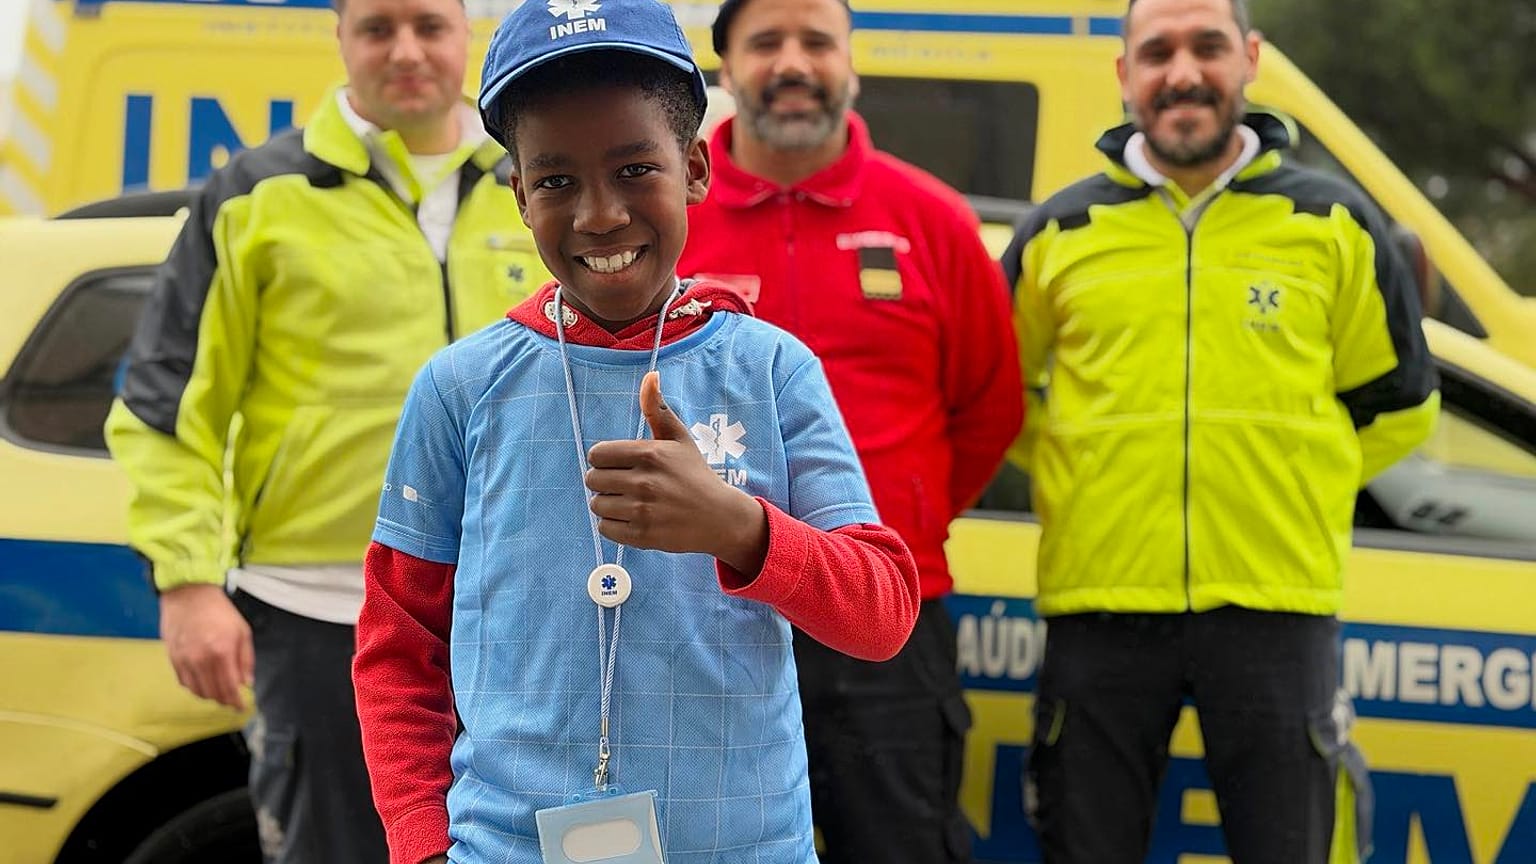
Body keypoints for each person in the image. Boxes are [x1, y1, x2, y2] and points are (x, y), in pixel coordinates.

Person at [348, 2, 922, 862]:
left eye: (634, 168)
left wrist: (738, 527)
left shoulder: (773, 370)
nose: (600, 214)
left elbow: (882, 613)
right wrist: (424, 844)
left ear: (694, 168)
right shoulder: (460, 388)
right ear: (517, 192)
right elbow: (399, 647)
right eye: (555, 181)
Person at [103, 0, 548, 857]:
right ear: (340, 39)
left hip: (517, 608)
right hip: (318, 611)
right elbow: (168, 400)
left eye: (429, 24)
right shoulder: (257, 195)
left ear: (468, 35)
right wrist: (189, 581)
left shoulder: (527, 180)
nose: (407, 49)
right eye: (378, 28)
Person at [1004, 0, 1441, 861]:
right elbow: (997, 398)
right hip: (1101, 603)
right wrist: (1080, 468)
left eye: (1207, 46)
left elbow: (1401, 403)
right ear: (1125, 73)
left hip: (1277, 607)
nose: (1183, 71)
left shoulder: (1333, 224)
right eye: (1157, 51)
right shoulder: (1058, 232)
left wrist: (1296, 478)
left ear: (1250, 58)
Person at [677, 1, 1023, 860]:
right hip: (704, 618)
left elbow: (990, 408)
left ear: (851, 65)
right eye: (765, 44)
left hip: (889, 624)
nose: (792, 62)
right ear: (726, 71)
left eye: (815, 42)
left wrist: (908, 518)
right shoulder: (673, 220)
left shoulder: (933, 221)